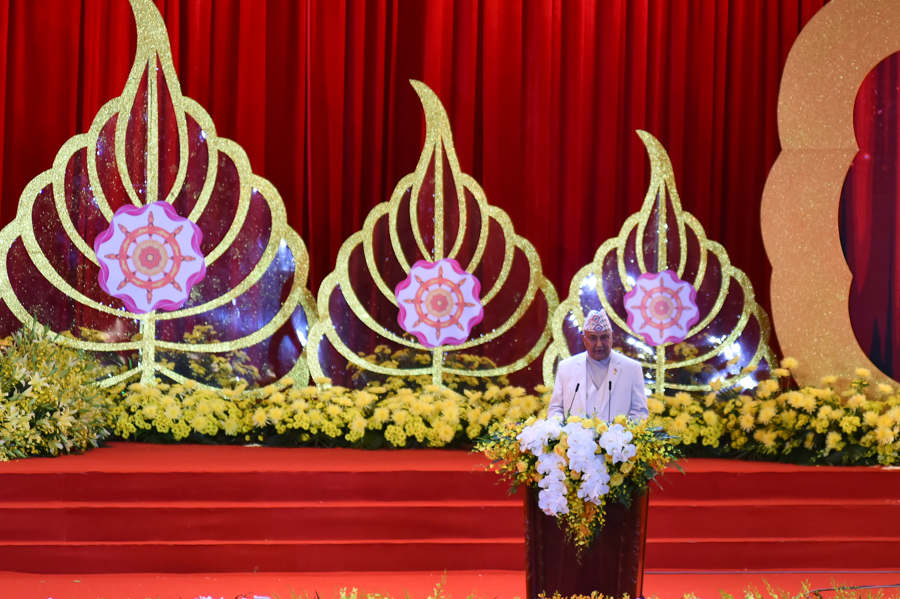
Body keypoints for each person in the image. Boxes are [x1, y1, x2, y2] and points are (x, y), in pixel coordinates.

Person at [548, 308, 649, 421]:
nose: (599, 344)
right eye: (593, 338)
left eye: (604, 337)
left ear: (612, 336)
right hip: (574, 433)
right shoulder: (566, 367)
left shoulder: (632, 368)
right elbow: (556, 409)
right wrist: (562, 428)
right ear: (584, 339)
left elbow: (640, 412)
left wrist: (622, 430)